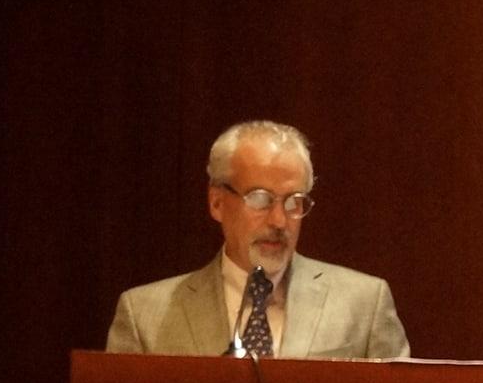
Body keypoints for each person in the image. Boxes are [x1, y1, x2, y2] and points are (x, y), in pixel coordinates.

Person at [106, 120, 410, 360]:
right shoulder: (144, 316)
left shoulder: (364, 304)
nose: (279, 221)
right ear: (217, 202)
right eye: (260, 199)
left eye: (294, 202)